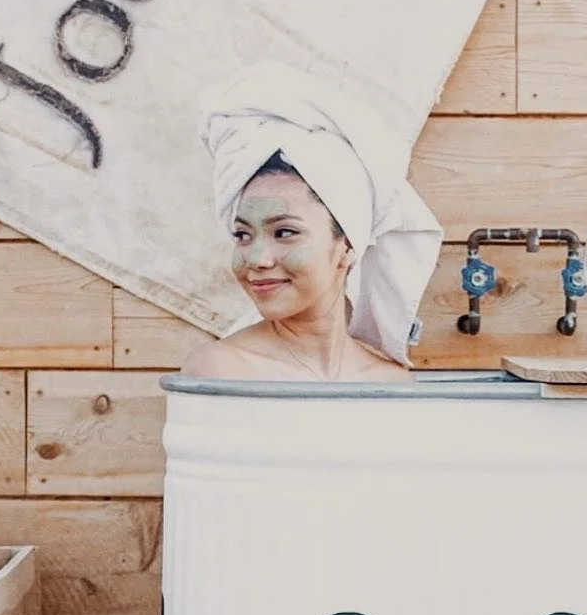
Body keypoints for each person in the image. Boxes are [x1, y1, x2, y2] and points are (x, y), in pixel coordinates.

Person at [181, 60, 444, 383]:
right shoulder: (220, 371)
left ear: (347, 246)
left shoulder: (391, 383)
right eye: (242, 234)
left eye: (285, 232)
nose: (258, 259)